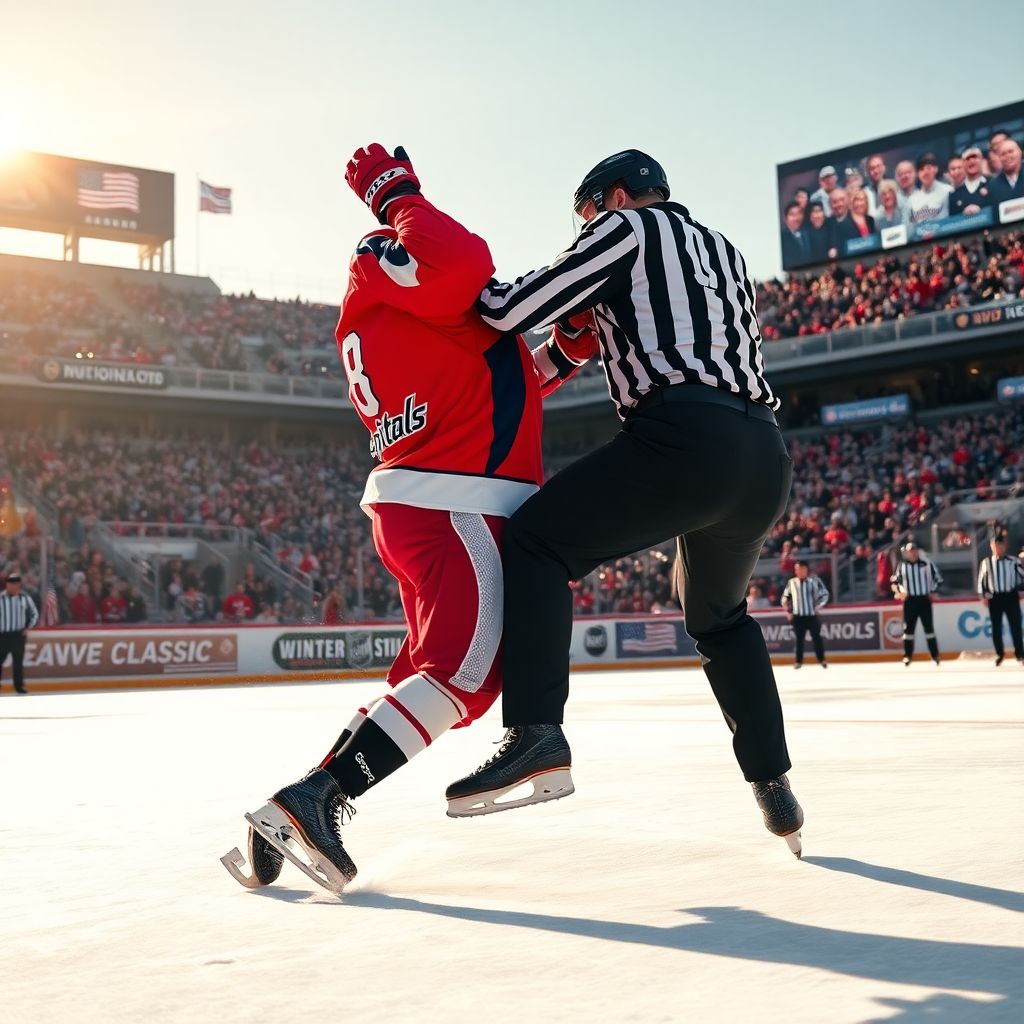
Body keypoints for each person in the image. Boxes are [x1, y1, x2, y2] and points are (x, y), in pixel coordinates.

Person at [447, 148, 804, 858]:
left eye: (587, 215)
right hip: (763, 453)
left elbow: (507, 308)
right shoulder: (723, 251)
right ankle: (775, 786)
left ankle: (536, 732)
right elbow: (635, 326)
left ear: (615, 197)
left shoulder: (626, 230)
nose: (584, 229)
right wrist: (577, 341)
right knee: (720, 620)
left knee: (536, 542)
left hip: (682, 439)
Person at [224, 144, 546, 893]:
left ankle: (296, 802)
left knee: (431, 683)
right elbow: (461, 263)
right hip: (455, 501)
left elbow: (488, 390)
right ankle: (312, 802)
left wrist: (559, 353)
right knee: (461, 679)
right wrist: (397, 194)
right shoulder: (387, 265)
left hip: (431, 498)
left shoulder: (401, 322)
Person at [976, 531, 1024, 666]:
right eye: (995, 545)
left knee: (1016, 626)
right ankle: (999, 654)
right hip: (995, 598)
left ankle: (1020, 654)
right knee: (996, 628)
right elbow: (981, 581)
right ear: (991, 546)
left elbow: (1022, 575)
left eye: (1000, 545)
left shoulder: (1013, 561)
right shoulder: (986, 563)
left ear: (1005, 546)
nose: (998, 548)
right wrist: (982, 596)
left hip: (1010, 596)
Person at [891, 540, 942, 666]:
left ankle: (935, 655)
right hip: (910, 601)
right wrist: (900, 592)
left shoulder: (927, 564)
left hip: (924, 599)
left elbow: (938, 579)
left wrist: (932, 591)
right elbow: (895, 583)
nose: (912, 553)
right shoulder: (902, 565)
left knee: (929, 628)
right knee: (908, 630)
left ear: (917, 552)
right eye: (910, 551)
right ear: (907, 553)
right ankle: (907, 656)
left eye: (914, 551)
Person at [780, 561, 829, 670]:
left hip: (812, 616)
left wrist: (818, 606)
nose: (800, 571)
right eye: (797, 569)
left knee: (817, 638)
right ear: (795, 570)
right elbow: (784, 598)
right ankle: (798, 661)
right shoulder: (791, 582)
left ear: (806, 570)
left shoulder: (814, 581)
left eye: (802, 569)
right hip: (798, 616)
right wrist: (788, 611)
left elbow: (825, 594)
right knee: (799, 639)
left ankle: (822, 660)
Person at [0, 572, 38, 695]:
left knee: (18, 662)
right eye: (10, 584)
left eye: (14, 584)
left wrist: (28, 627)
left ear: (18, 585)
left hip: (18, 635)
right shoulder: (0, 598)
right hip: (3, 635)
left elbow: (34, 614)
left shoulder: (25, 598)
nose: (12, 586)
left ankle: (19, 686)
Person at [907, 153, 952, 227]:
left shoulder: (948, 190)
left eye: (928, 168)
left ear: (936, 169)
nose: (925, 173)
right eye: (921, 170)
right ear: (917, 174)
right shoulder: (912, 199)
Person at [950, 147, 989, 216]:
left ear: (982, 160)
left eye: (974, 157)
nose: (971, 161)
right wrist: (963, 215)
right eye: (967, 159)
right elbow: (952, 222)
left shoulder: (992, 184)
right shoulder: (954, 195)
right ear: (963, 164)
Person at [985, 138, 1023, 207]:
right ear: (999, 158)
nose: (1007, 156)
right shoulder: (993, 185)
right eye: (1003, 154)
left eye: (1010, 151)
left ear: (1020, 152)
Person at [826, 187, 860, 258]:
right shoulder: (826, 224)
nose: (839, 204)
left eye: (842, 200)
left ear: (847, 201)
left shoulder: (858, 220)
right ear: (829, 205)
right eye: (835, 202)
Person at [780, 201, 811, 266]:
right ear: (785, 218)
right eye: (792, 214)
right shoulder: (782, 238)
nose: (796, 218)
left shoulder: (807, 234)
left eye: (799, 213)